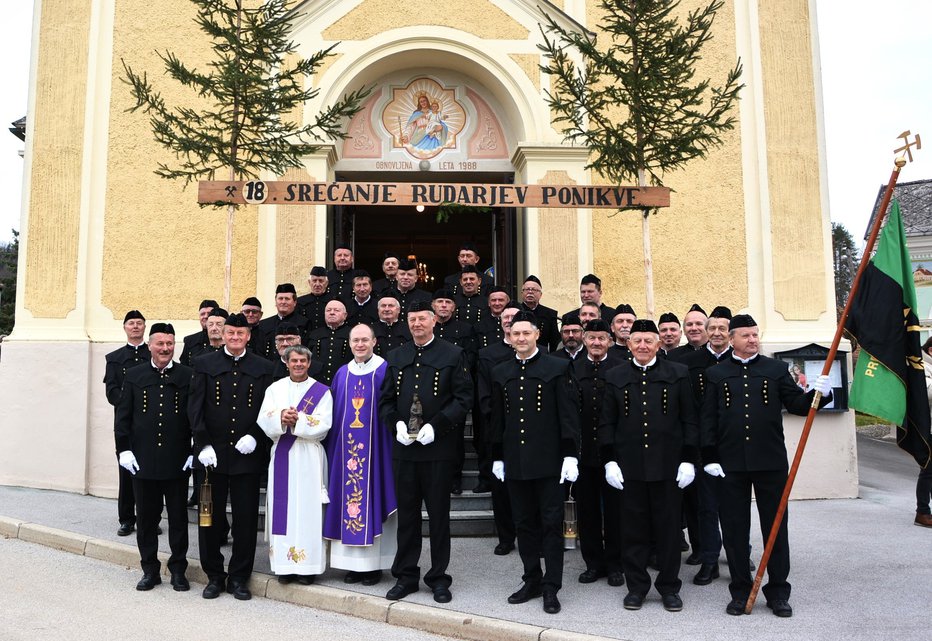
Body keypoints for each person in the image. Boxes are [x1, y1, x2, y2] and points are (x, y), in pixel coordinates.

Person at [700, 314, 833, 617]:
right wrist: (709, 458)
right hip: (730, 464)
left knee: (775, 526)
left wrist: (819, 394)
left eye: (755, 335)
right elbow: (707, 419)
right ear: (731, 339)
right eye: (745, 335)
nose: (752, 340)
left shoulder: (775, 370)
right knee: (734, 529)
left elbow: (799, 406)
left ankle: (778, 592)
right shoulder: (716, 374)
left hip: (770, 461)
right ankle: (740, 590)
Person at [599, 319, 698, 613]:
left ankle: (669, 587)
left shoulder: (678, 373)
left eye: (648, 341)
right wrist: (609, 462)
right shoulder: (615, 375)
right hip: (629, 469)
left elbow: (689, 419)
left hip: (668, 467)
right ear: (628, 344)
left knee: (668, 532)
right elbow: (607, 422)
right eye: (637, 340)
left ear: (658, 344)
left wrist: (689, 460)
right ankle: (637, 588)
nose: (643, 346)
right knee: (633, 531)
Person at [378, 300, 473, 604]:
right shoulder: (395, 356)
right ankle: (406, 576)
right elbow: (386, 401)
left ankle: (438, 577)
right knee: (407, 516)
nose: (417, 324)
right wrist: (395, 425)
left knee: (438, 516)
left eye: (422, 319)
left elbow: (462, 398)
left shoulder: (452, 354)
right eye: (412, 319)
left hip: (438, 450)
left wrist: (438, 425)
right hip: (405, 451)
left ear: (434, 321)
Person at [491, 311, 580, 615]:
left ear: (537, 335)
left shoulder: (558, 367)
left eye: (526, 333)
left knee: (551, 526)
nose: (521, 339)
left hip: (550, 462)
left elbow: (568, 414)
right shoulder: (501, 371)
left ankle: (551, 586)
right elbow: (497, 419)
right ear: (510, 337)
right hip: (516, 461)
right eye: (516, 334)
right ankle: (531, 578)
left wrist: (570, 454)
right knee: (524, 524)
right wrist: (497, 456)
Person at [189, 313, 275, 601]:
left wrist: (256, 434)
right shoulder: (203, 364)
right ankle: (214, 575)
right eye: (230, 333)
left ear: (248, 336)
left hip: (246, 457)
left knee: (246, 519)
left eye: (241, 334)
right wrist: (202, 445)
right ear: (222, 334)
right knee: (207, 517)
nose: (235, 338)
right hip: (211, 459)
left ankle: (239, 577)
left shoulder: (264, 367)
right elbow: (195, 408)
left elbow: (268, 409)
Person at [114, 323, 193, 592]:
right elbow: (122, 417)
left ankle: (179, 570)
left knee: (179, 520)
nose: (165, 348)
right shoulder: (134, 375)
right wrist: (123, 450)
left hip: (176, 461)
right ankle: (150, 570)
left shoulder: (187, 375)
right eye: (160, 343)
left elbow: (195, 417)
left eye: (170, 344)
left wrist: (194, 450)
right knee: (146, 520)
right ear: (150, 345)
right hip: (143, 462)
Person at [324, 324, 398, 585]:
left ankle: (374, 566)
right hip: (345, 452)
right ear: (350, 342)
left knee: (372, 498)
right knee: (348, 500)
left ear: (374, 341)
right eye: (355, 340)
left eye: (365, 339)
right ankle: (351, 566)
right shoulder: (342, 373)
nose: (360, 344)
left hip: (375, 449)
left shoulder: (384, 370)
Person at [257, 345, 332, 585]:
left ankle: (308, 568)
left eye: (303, 360)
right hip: (283, 454)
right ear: (286, 363)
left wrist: (298, 419)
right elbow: (263, 417)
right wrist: (280, 417)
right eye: (294, 361)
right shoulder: (274, 389)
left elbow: (325, 423)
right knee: (284, 510)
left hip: (309, 455)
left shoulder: (322, 391)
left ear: (309, 363)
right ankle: (284, 566)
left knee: (308, 510)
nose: (298, 364)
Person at [679, 305, 734, 585]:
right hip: (704, 444)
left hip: (734, 445)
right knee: (706, 506)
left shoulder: (740, 361)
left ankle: (738, 553)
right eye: (711, 328)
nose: (715, 333)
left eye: (721, 328)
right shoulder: (691, 362)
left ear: (731, 333)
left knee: (734, 505)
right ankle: (710, 559)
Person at [570, 318, 625, 587]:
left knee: (614, 512)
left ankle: (615, 564)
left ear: (610, 341)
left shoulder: (619, 368)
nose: (596, 343)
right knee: (588, 511)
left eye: (601, 338)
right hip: (584, 453)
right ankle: (593, 563)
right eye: (591, 338)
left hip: (613, 453)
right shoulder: (573, 368)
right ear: (584, 339)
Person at [476, 303, 520, 551]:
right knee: (500, 488)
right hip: (498, 430)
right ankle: (506, 537)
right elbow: (484, 396)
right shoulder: (488, 354)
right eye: (505, 317)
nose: (509, 320)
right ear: (500, 322)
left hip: (530, 432)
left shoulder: (540, 353)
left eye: (514, 317)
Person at [104, 309, 150, 537]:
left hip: (150, 423)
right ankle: (126, 519)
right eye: (131, 323)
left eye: (139, 323)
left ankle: (148, 518)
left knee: (149, 471)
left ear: (144, 327)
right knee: (126, 471)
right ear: (125, 327)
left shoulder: (153, 354)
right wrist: (127, 404)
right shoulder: (114, 358)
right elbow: (111, 390)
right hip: (125, 424)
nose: (135, 326)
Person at [432, 288, 478, 495]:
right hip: (431, 390)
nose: (443, 305)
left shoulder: (465, 329)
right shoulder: (427, 328)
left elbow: (470, 357)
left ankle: (454, 480)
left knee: (455, 439)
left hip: (454, 388)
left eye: (447, 302)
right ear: (433, 306)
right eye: (439, 301)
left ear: (454, 306)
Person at [258, 284, 309, 360]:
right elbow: (260, 351)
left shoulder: (304, 323)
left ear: (294, 302)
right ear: (276, 301)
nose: (283, 302)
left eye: (287, 299)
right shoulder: (264, 324)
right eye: (280, 298)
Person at [307, 299, 351, 385]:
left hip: (343, 382)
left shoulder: (352, 334)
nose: (332, 313)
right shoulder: (314, 334)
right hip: (317, 383)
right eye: (328, 310)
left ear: (345, 315)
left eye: (336, 310)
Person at [915, 336, 932, 528]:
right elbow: (926, 393)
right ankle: (922, 511)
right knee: (928, 470)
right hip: (928, 429)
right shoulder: (921, 367)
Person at [519, 275, 559, 352]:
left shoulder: (550, 314)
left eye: (534, 290)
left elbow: (554, 342)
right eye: (527, 289)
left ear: (540, 294)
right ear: (522, 293)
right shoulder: (516, 311)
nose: (530, 292)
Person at [180, 299, 218, 366]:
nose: (205, 316)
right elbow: (184, 367)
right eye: (202, 314)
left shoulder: (224, 339)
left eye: (209, 313)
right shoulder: (190, 341)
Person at [296, 266, 334, 332]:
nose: (317, 284)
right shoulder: (300, 302)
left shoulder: (334, 301)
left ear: (326, 283)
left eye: (321, 281)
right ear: (309, 282)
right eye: (314, 281)